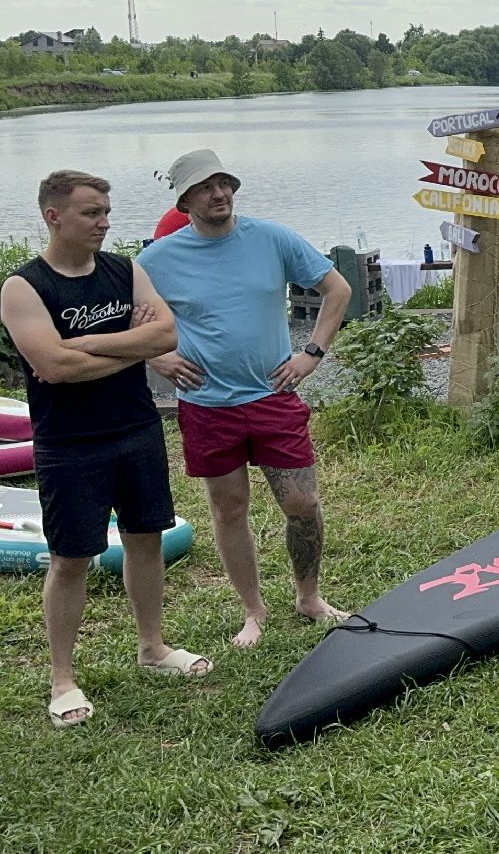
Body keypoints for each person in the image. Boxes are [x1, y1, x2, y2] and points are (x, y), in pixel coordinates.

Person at [1, 171, 210, 728]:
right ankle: (63, 680)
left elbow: (166, 336)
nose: (104, 221)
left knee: (145, 539)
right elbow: (53, 367)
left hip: (136, 429)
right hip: (69, 444)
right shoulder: (25, 287)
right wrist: (129, 347)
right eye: (92, 212)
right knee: (71, 559)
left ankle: (152, 648)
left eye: (105, 211)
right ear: (54, 216)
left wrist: (89, 344)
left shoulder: (124, 269)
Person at [138, 149, 353, 647]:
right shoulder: (159, 259)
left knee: (301, 501)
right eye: (205, 188)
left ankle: (309, 597)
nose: (219, 194)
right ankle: (254, 611)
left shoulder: (271, 238)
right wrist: (157, 359)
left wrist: (312, 353)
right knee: (229, 510)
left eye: (224, 184)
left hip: (273, 395)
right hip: (208, 405)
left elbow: (336, 288)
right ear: (185, 199)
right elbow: (127, 317)